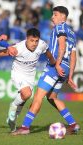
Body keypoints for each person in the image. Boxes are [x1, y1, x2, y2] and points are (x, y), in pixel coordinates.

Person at [0, 27, 56, 132]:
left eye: (36, 41)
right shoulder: (18, 48)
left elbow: (48, 52)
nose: (34, 43)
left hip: (30, 75)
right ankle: (13, 105)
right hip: (18, 73)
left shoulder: (41, 45)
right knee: (27, 94)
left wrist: (53, 62)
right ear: (26, 39)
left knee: (24, 98)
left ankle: (13, 119)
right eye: (31, 40)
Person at [12, 6, 80, 136]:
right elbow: (73, 55)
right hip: (64, 69)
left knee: (38, 96)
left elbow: (62, 46)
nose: (52, 17)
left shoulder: (60, 27)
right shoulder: (72, 33)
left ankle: (25, 127)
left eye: (55, 14)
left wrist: (57, 64)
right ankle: (73, 124)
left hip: (55, 68)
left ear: (62, 16)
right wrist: (70, 75)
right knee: (52, 97)